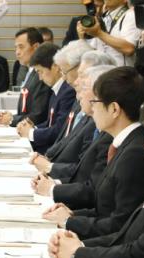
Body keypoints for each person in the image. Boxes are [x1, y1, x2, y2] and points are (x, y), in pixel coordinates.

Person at [42, 66, 144, 240]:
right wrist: (71, 214)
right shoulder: (122, 143)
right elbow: (102, 205)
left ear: (114, 109)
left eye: (95, 101)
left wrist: (70, 223)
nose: (91, 107)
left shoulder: (136, 154)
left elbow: (119, 225)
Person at [47, 94, 144, 258]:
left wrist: (77, 253)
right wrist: (79, 246)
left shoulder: (135, 154)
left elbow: (138, 253)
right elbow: (126, 236)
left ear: (114, 108)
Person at [32, 66, 115, 210]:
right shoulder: (91, 120)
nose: (77, 85)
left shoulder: (107, 134)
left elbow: (91, 188)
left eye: (84, 87)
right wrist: (53, 182)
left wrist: (53, 185)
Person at [30, 50, 114, 181]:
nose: (77, 82)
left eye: (83, 76)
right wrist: (47, 158)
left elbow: (85, 174)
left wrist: (51, 172)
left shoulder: (103, 124)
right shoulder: (81, 105)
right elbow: (65, 138)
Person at [16, 43, 76, 154]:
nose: (39, 77)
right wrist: (33, 128)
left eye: (41, 71)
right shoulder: (56, 90)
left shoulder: (68, 92)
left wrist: (31, 133)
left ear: (55, 67)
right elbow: (49, 123)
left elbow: (59, 130)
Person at [0, 28, 51, 127]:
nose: (17, 52)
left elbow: (38, 115)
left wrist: (12, 119)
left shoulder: (42, 75)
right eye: (16, 48)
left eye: (21, 47)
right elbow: (26, 111)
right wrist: (11, 117)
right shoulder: (31, 71)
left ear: (36, 47)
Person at [78, 0, 141, 66]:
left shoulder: (131, 16)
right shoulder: (105, 16)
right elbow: (94, 50)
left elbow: (129, 49)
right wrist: (82, 37)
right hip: (102, 71)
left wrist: (99, 33)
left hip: (121, 73)